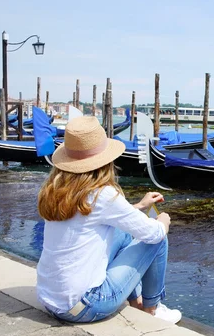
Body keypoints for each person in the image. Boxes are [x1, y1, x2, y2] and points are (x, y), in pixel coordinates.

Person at [36, 116, 181, 324]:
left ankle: (137, 300)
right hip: (85, 306)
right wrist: (163, 221)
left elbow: (92, 217)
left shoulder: (57, 190)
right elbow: (153, 233)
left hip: (50, 300)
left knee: (122, 233)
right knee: (158, 239)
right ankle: (152, 309)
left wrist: (139, 207)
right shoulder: (102, 194)